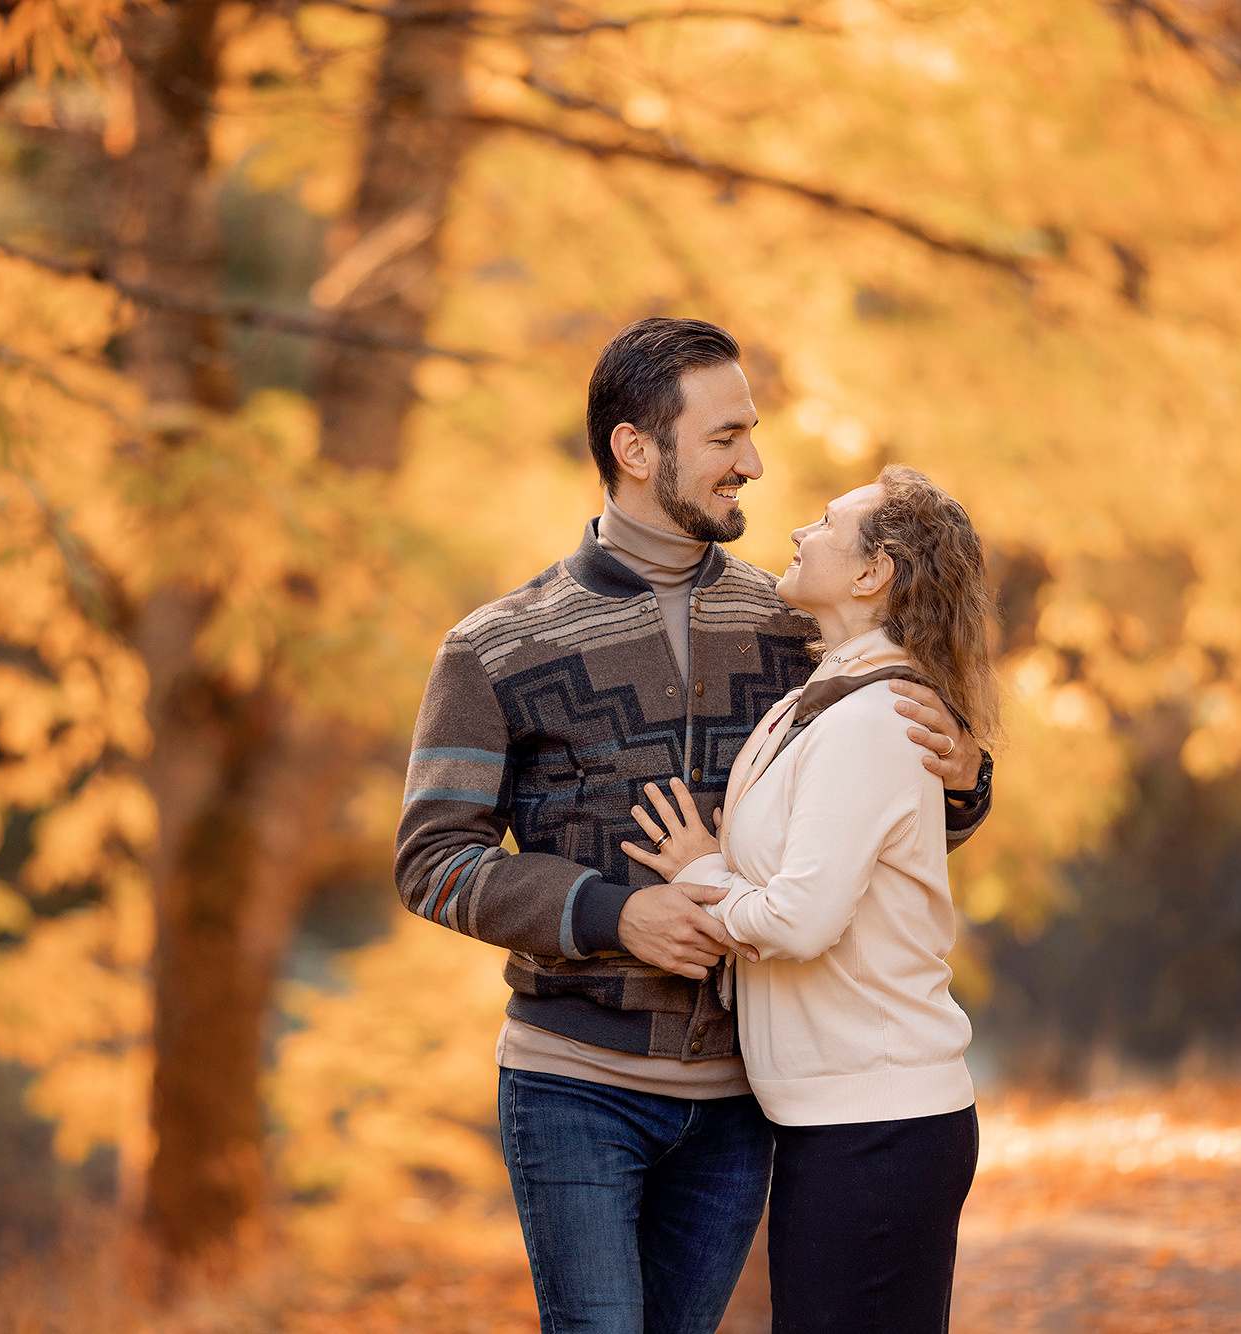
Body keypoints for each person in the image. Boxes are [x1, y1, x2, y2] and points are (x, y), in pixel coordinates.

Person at [395, 318, 997, 1334]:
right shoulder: (495, 645)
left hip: (738, 1097)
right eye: (723, 439)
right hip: (571, 1080)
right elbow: (430, 860)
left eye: (747, 436)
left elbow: (886, 821)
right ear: (637, 449)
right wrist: (607, 914)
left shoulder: (797, 628)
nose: (750, 465)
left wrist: (967, 771)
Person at [623, 466, 998, 1334]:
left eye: (828, 523)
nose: (798, 531)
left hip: (880, 1122)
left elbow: (801, 917)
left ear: (874, 574)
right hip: (835, 1119)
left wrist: (703, 876)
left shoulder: (877, 718)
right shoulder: (813, 700)